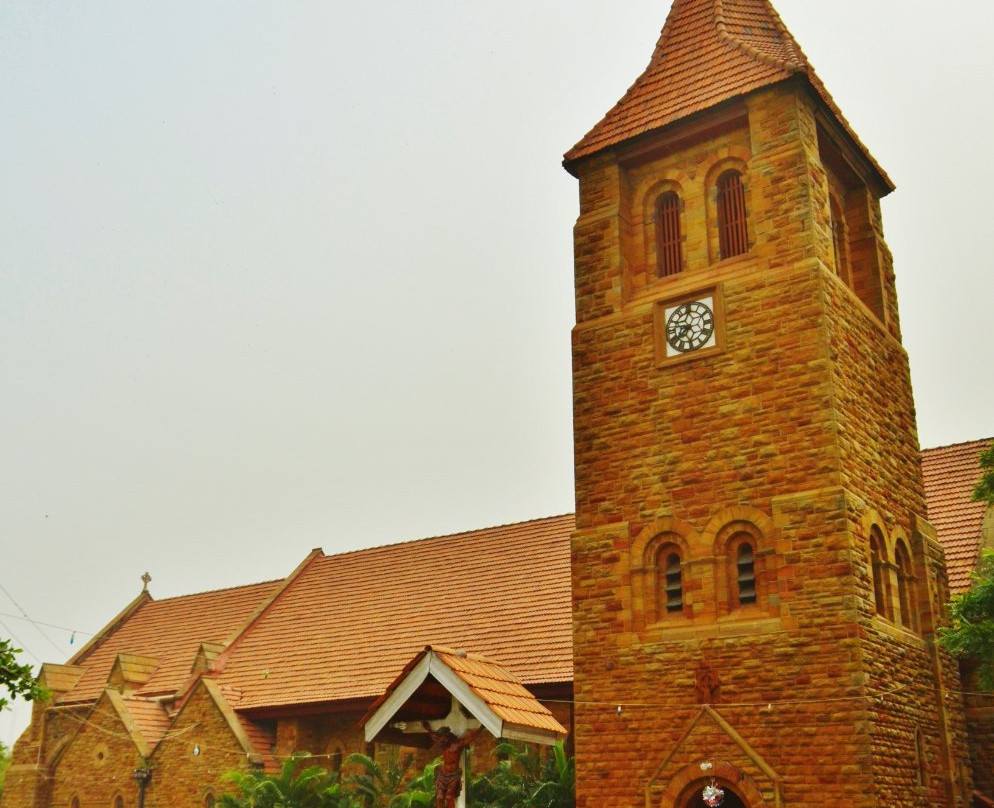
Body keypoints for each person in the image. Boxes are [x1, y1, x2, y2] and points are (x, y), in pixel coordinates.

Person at [422, 722, 484, 808]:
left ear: (446, 736)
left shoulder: (458, 744)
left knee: (449, 797)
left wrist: (481, 728)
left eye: (442, 737)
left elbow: (471, 737)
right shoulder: (442, 743)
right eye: (440, 738)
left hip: (453, 775)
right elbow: (433, 735)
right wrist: (428, 728)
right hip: (443, 774)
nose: (440, 739)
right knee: (439, 797)